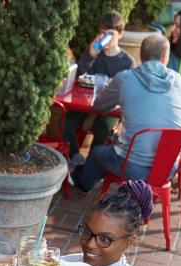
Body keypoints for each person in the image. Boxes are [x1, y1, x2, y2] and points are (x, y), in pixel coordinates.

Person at [71, 34, 181, 194]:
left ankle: (82, 185)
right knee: (115, 145)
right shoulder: (178, 80)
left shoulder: (125, 79)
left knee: (97, 153)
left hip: (131, 166)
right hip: (167, 169)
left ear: (141, 56)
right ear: (165, 58)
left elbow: (99, 106)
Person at [63, 11, 136, 164]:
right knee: (66, 122)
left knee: (101, 127)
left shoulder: (127, 62)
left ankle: (90, 166)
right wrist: (90, 54)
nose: (105, 39)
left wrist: (94, 116)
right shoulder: (94, 55)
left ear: (120, 35)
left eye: (110, 34)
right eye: (102, 34)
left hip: (109, 109)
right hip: (84, 104)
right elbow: (80, 78)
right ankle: (76, 159)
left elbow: (127, 94)